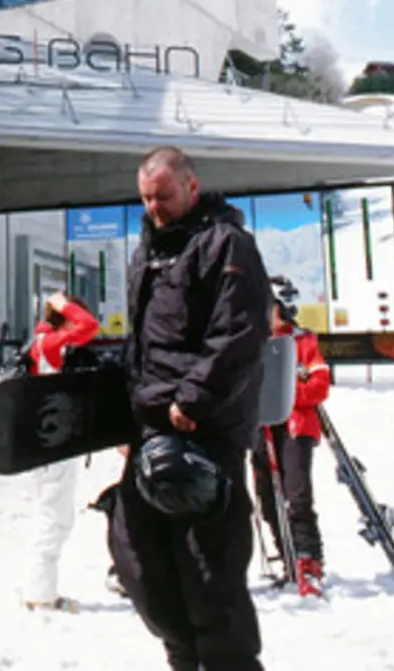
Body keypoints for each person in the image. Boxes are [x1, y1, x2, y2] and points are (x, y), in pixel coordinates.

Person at [109, 145, 272, 671]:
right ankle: (185, 660)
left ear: (192, 187)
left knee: (210, 578)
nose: (154, 207)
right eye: (146, 198)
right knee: (140, 564)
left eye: (164, 196)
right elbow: (144, 343)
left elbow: (240, 335)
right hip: (150, 430)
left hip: (204, 434)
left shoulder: (226, 244)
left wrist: (192, 400)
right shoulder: (149, 252)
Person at [21, 290, 104, 610]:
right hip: (52, 446)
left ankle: (39, 589)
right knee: (54, 518)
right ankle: (40, 594)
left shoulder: (40, 344)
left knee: (52, 515)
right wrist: (61, 303)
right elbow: (90, 326)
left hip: (48, 442)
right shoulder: (50, 345)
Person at [251, 276, 331, 595]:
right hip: (261, 427)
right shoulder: (252, 343)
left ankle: (308, 557)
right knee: (267, 496)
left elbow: (319, 385)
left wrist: (283, 394)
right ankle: (287, 556)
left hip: (296, 426)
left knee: (296, 494)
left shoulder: (303, 342)